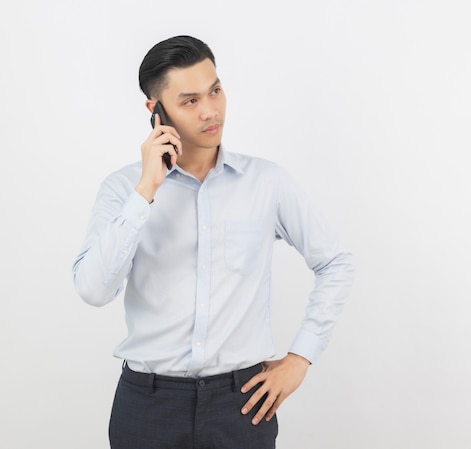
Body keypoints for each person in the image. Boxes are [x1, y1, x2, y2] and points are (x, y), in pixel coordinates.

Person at [72, 35, 354, 449]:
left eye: (215, 91)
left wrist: (300, 358)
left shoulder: (266, 182)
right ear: (156, 111)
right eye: (189, 101)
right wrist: (146, 190)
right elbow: (94, 290)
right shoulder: (122, 190)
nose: (210, 111)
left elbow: (335, 262)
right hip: (148, 407)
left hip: (242, 406)